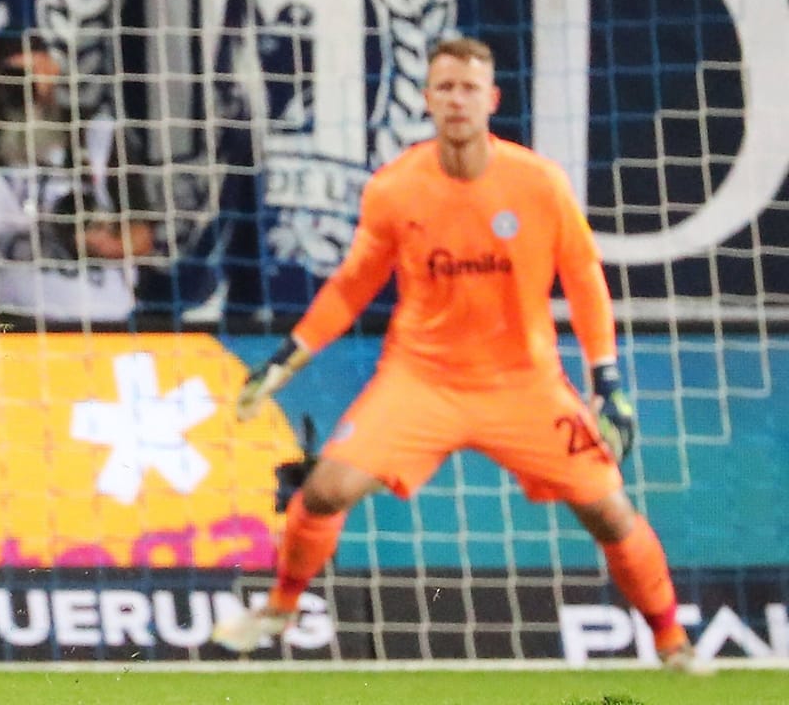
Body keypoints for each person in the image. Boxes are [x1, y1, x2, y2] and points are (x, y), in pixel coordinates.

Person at [214, 37, 700, 673]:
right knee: (327, 489)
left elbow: (584, 281)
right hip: (421, 379)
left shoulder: (538, 184)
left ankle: (672, 644)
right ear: (427, 100)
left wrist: (606, 380)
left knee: (610, 510)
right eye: (444, 87)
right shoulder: (395, 189)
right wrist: (289, 355)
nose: (457, 99)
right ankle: (278, 609)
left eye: (469, 88)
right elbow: (353, 284)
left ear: (491, 100)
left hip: (524, 383)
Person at [0, 33, 157, 325]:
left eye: (28, 74)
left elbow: (143, 235)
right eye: (10, 75)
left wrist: (102, 243)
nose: (21, 86)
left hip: (97, 317)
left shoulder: (96, 133)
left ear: (52, 70)